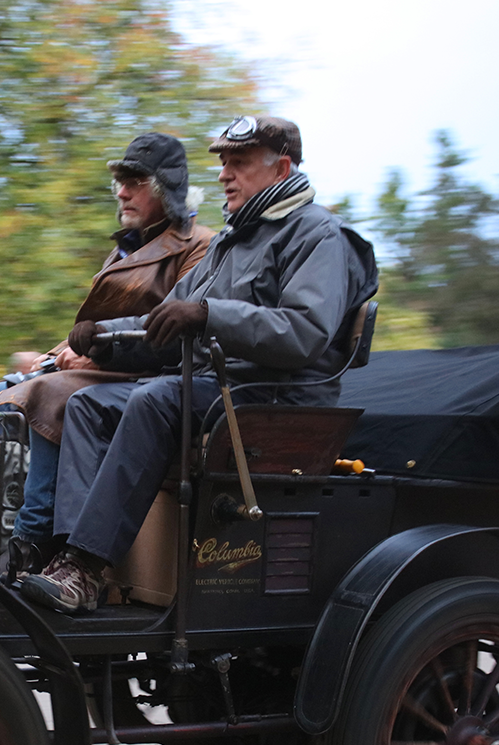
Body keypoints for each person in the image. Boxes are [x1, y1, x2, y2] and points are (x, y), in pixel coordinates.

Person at [22, 115, 379, 614]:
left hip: (276, 400)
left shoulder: (320, 235)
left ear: (282, 167)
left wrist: (211, 315)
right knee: (88, 404)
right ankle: (73, 565)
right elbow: (167, 327)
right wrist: (106, 340)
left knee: (155, 398)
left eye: (238, 162)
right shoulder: (234, 242)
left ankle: (84, 564)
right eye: (222, 163)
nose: (223, 174)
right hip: (219, 388)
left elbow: (303, 335)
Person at [0, 132, 215, 579]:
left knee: (49, 398)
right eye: (119, 182)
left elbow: (169, 331)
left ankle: (33, 543)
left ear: (165, 188)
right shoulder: (128, 246)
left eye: (134, 181)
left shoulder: (199, 246)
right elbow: (93, 321)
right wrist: (56, 352)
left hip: (139, 372)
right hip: (99, 364)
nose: (122, 192)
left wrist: (98, 356)